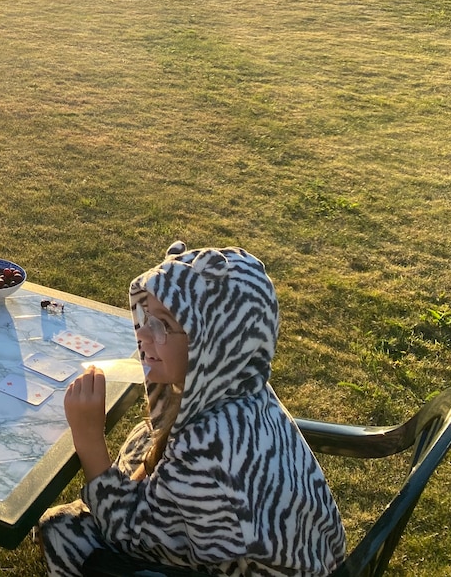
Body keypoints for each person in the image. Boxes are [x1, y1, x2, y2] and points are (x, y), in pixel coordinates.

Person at [39, 241, 346, 577]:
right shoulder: (245, 388)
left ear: (214, 343)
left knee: (62, 530)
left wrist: (89, 439)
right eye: (146, 317)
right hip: (312, 560)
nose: (142, 333)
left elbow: (127, 535)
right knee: (143, 439)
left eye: (163, 325)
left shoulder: (204, 452)